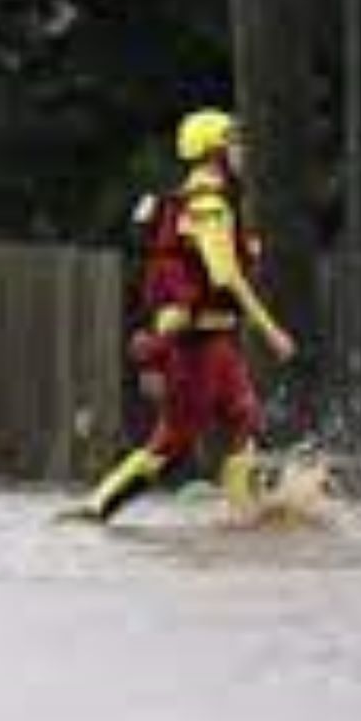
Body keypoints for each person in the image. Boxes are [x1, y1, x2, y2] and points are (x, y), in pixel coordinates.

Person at [65, 108, 297, 523]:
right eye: (234, 144)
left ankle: (245, 516)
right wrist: (272, 331)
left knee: (245, 422)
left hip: (218, 343)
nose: (242, 151)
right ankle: (95, 509)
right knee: (172, 444)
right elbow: (225, 278)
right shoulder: (208, 205)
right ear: (212, 153)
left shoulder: (216, 200)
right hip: (195, 347)